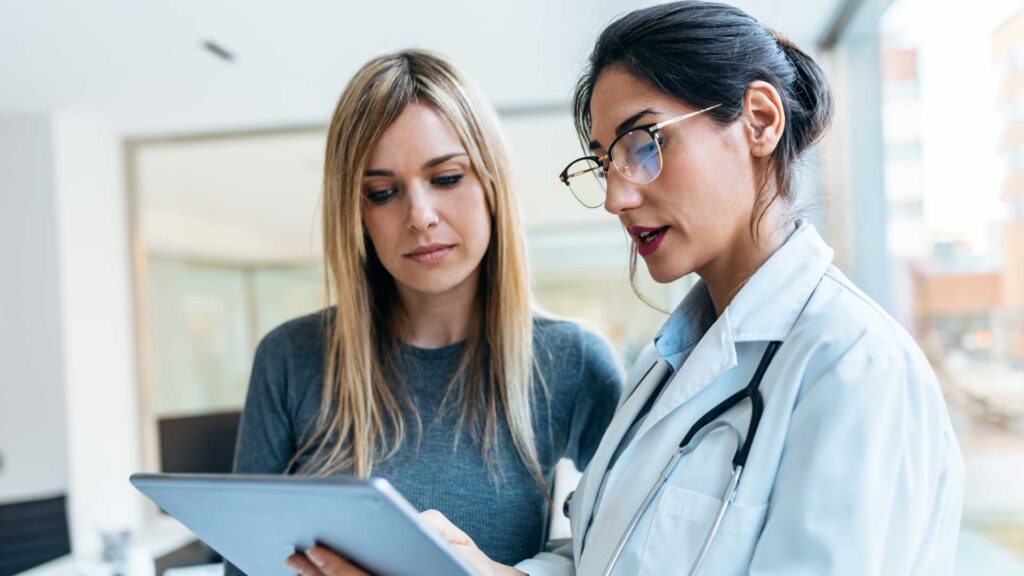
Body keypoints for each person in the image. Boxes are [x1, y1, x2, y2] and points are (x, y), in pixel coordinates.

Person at [286, 3, 965, 575]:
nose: (614, 195)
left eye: (644, 143)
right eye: (604, 160)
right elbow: (597, 561)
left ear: (759, 121)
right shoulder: (665, 370)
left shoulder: (852, 367)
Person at [227, 49, 624, 575]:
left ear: (491, 185)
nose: (419, 217)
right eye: (383, 192)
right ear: (356, 211)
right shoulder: (291, 359)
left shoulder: (571, 362)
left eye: (447, 178)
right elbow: (244, 565)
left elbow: (631, 554)